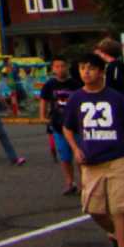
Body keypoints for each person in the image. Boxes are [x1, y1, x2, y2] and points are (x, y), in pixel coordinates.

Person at [61, 53, 124, 247]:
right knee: (94, 208)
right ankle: (113, 234)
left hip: (118, 158)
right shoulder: (76, 99)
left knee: (120, 208)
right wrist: (75, 148)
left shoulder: (115, 98)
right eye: (82, 68)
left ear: (101, 72)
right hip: (91, 162)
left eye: (90, 68)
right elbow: (67, 127)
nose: (85, 72)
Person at [39, 57, 84, 195]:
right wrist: (42, 116)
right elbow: (44, 100)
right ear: (53, 69)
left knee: (80, 156)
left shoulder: (75, 84)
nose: (60, 69)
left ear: (67, 67)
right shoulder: (49, 85)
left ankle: (84, 183)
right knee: (64, 157)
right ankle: (70, 182)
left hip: (75, 125)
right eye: (57, 66)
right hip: (58, 124)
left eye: (62, 66)